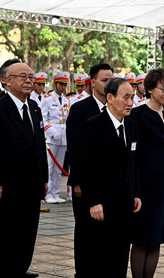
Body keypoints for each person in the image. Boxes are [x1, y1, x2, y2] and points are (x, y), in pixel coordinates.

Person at [0, 62, 48, 277]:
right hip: (6, 188)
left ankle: (19, 271)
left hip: (31, 186)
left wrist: (44, 179)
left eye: (31, 76)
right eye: (23, 77)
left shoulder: (34, 108)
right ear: (7, 81)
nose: (29, 81)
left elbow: (39, 145)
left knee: (26, 236)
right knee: (2, 240)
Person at [77, 78, 141, 278]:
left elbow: (132, 163)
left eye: (132, 97)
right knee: (97, 258)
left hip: (124, 205)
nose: (130, 102)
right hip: (101, 206)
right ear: (110, 98)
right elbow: (85, 168)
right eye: (126, 97)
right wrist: (94, 201)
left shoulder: (131, 126)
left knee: (120, 257)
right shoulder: (93, 126)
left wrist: (135, 194)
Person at [129, 68, 164, 278]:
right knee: (142, 236)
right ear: (149, 89)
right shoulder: (138, 114)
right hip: (146, 180)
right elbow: (133, 152)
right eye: (163, 89)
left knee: (158, 234)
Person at [66, 63, 114, 278]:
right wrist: (77, 182)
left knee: (107, 232)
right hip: (86, 182)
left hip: (110, 183)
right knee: (86, 231)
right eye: (104, 80)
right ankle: (83, 273)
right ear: (92, 82)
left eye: (111, 80)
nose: (108, 84)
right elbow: (74, 147)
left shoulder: (117, 108)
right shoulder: (80, 109)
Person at [41, 72, 71, 204]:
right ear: (55, 84)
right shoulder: (47, 99)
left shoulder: (66, 100)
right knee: (50, 166)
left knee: (59, 168)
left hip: (63, 136)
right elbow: (42, 117)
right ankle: (47, 194)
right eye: (61, 84)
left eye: (65, 84)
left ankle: (56, 193)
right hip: (52, 137)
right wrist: (51, 131)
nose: (63, 87)